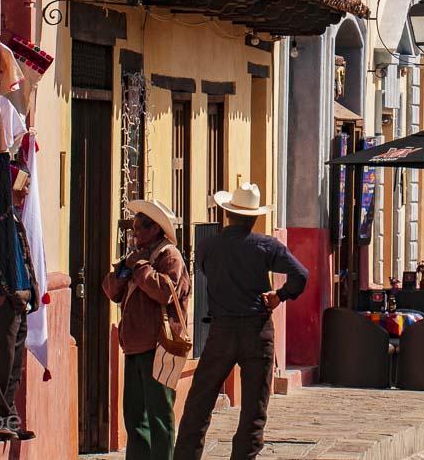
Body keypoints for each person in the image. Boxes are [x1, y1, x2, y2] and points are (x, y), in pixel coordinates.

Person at [174, 185, 309, 460]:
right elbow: (301, 274)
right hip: (257, 331)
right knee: (254, 408)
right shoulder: (266, 245)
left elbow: (202, 269)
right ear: (254, 218)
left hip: (221, 330)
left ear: (227, 214)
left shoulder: (208, 245)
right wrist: (280, 295)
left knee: (200, 402)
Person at [102, 199, 190, 460]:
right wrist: (124, 269)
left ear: (156, 230)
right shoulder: (136, 256)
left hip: (158, 347)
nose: (136, 232)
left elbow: (165, 292)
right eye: (135, 227)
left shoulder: (169, 256)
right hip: (134, 346)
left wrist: (140, 268)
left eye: (141, 227)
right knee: (134, 416)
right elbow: (112, 291)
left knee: (159, 416)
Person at [0, 163, 39, 442]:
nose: (24, 196)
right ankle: (0, 419)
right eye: (20, 190)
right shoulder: (0, 221)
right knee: (4, 360)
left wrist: (33, 294)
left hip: (22, 301)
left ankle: (10, 417)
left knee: (15, 367)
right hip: (9, 301)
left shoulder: (16, 221)